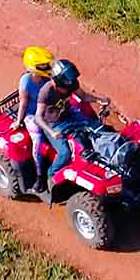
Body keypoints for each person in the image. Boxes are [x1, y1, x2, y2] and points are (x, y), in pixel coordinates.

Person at [32, 58, 109, 199]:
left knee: (98, 128)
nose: (70, 86)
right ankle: (51, 176)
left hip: (70, 115)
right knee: (65, 152)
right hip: (53, 125)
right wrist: (52, 132)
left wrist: (100, 99)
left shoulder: (71, 84)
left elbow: (84, 96)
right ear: (57, 81)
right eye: (66, 84)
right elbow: (38, 117)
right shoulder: (46, 92)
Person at [15, 46, 55, 192]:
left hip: (48, 108)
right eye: (43, 65)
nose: (47, 67)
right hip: (33, 115)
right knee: (38, 140)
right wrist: (19, 121)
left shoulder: (47, 77)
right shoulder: (26, 82)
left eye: (47, 64)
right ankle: (40, 176)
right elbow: (23, 103)